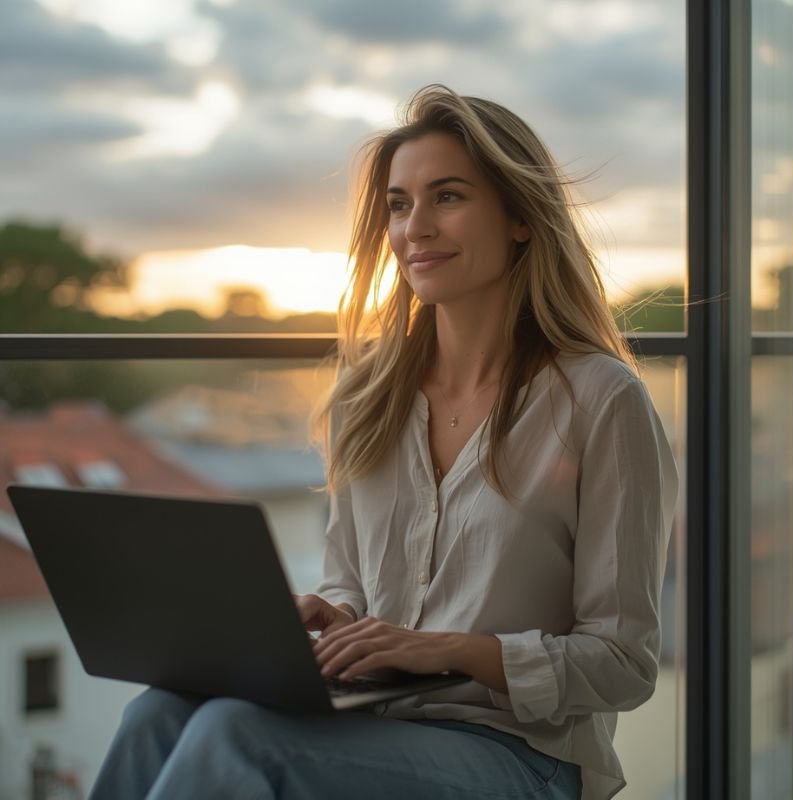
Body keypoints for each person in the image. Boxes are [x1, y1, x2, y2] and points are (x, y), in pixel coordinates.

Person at [89, 85, 678, 800]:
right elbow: (353, 584)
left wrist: (452, 650)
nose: (414, 228)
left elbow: (622, 662)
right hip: (373, 719)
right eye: (399, 204)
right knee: (156, 713)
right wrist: (340, 622)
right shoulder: (366, 399)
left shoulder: (601, 399)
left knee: (233, 738)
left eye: (448, 197)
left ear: (521, 217)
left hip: (521, 754)